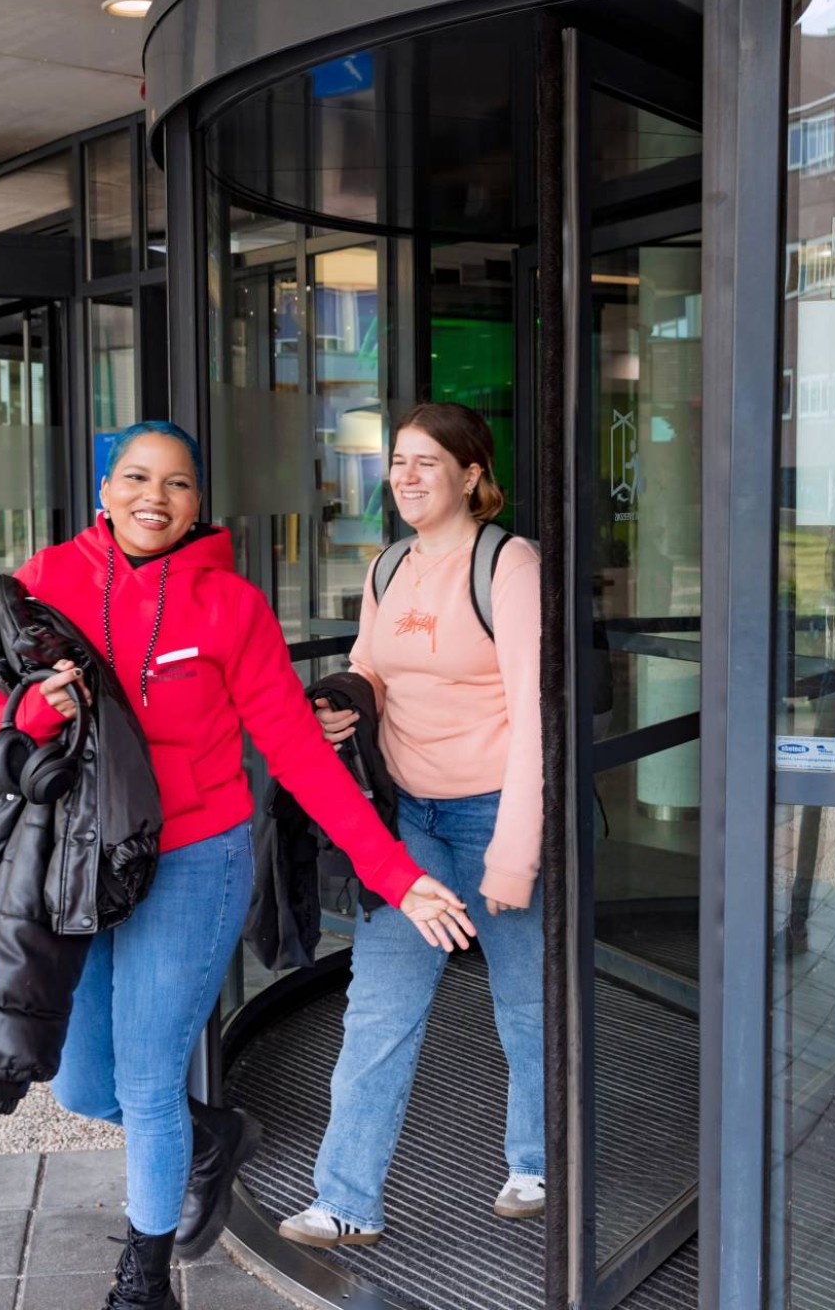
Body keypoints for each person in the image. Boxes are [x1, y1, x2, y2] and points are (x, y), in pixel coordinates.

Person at [0, 420, 474, 1310]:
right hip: (78, 863)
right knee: (84, 1085)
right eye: (135, 478)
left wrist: (395, 875)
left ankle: (144, 1278)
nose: (154, 498)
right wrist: (33, 719)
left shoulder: (230, 606)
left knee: (147, 1081)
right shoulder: (45, 584)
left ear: (199, 503)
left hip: (193, 861)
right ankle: (212, 1139)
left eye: (177, 484)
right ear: (103, 491)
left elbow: (300, 755)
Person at [281, 401, 545, 1249]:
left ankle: (535, 1159)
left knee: (525, 1003)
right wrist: (343, 704)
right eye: (397, 461)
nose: (405, 476)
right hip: (408, 817)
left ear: (472, 473)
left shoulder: (508, 563)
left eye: (426, 461)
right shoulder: (388, 565)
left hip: (496, 808)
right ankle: (345, 1198)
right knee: (380, 1005)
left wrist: (515, 853)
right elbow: (370, 665)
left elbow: (536, 714)